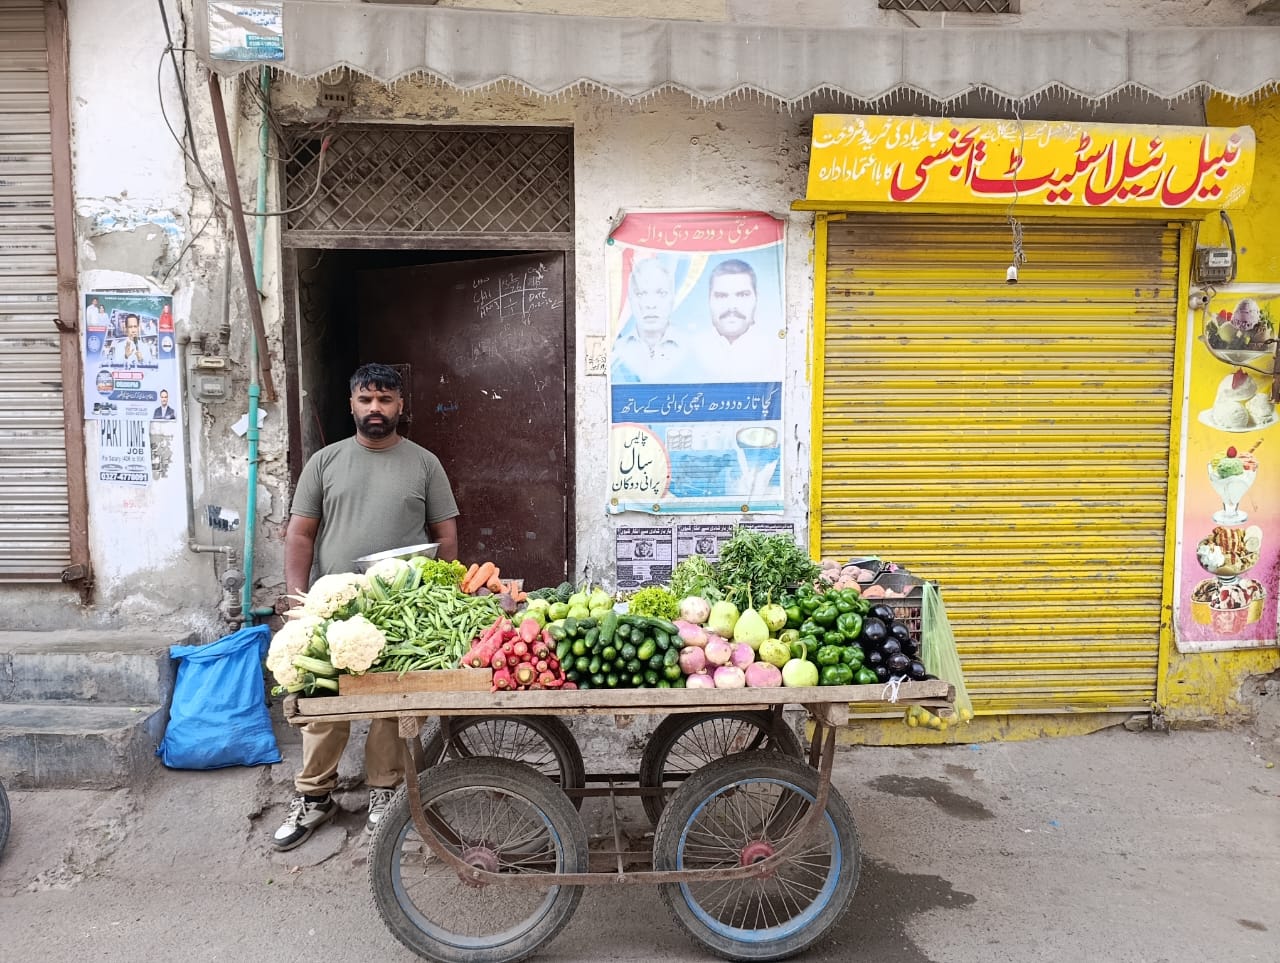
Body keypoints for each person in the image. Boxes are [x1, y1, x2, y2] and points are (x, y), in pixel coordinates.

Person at [272, 363, 460, 851]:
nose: (375, 408)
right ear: (351, 405)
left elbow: (445, 535)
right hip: (332, 607)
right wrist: (297, 599)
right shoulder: (325, 462)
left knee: (389, 705)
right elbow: (301, 532)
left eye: (385, 400)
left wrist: (445, 590)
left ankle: (383, 793)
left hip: (401, 609)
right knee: (323, 705)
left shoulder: (425, 463)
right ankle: (315, 797)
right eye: (366, 399)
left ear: (401, 406)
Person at [697, 258, 781, 383]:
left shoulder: (778, 352)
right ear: (708, 299)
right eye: (721, 296)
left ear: (757, 298)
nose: (732, 306)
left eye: (742, 295)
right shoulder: (692, 350)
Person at [610, 257, 686, 383]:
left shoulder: (692, 349)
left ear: (672, 297)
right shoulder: (615, 350)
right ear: (630, 298)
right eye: (641, 294)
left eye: (661, 293)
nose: (651, 304)